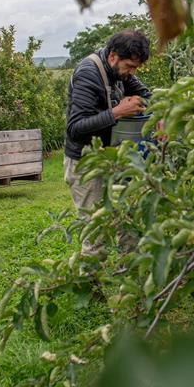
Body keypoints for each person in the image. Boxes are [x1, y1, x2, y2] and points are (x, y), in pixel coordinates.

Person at [64, 30, 152, 258]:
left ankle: (131, 286)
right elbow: (75, 128)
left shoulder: (120, 73)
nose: (132, 73)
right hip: (85, 163)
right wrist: (117, 112)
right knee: (95, 235)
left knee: (129, 224)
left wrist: (150, 109)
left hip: (112, 159)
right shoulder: (88, 74)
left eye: (135, 68)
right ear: (113, 56)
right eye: (130, 66)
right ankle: (90, 290)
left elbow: (146, 95)